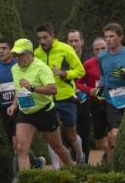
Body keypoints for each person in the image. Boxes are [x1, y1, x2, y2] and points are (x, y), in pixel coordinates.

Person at [7, 38, 73, 183]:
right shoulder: (15, 68)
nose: (18, 58)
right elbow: (18, 88)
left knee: (57, 147)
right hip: (26, 112)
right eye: (16, 54)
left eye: (21, 54)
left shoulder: (41, 68)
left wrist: (32, 87)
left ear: (30, 53)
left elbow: (53, 89)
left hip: (44, 111)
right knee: (21, 148)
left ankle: (74, 172)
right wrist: (14, 104)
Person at [0, 37, 45, 183]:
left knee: (17, 143)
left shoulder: (19, 66)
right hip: (5, 110)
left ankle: (18, 179)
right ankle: (36, 162)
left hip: (22, 107)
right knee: (15, 145)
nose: (1, 51)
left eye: (4, 48)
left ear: (12, 50)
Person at [34, 23, 86, 167]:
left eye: (45, 37)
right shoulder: (36, 54)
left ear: (52, 36)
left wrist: (65, 74)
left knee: (71, 135)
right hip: (48, 100)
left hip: (67, 99)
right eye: (39, 38)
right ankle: (57, 170)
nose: (42, 41)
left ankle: (81, 157)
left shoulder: (66, 49)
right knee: (52, 137)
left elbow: (80, 71)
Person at [95, 23, 125, 164]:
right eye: (106, 37)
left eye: (112, 37)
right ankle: (115, 168)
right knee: (113, 134)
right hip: (112, 101)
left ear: (120, 37)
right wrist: (101, 87)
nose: (108, 40)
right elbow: (103, 75)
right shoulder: (102, 57)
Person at [76, 37, 110, 163]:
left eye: (103, 48)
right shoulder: (88, 64)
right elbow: (78, 83)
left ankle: (111, 162)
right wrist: (89, 90)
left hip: (112, 104)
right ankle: (108, 154)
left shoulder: (115, 61)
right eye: (97, 49)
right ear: (93, 51)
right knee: (100, 142)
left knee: (113, 135)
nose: (100, 51)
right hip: (95, 105)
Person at [66, 29, 93, 162]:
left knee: (85, 135)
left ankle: (84, 165)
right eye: (70, 41)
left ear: (82, 42)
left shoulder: (89, 61)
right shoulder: (63, 61)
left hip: (86, 103)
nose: (73, 43)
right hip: (68, 102)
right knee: (68, 134)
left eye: (76, 40)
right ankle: (73, 150)